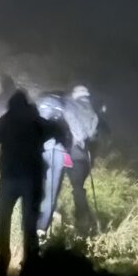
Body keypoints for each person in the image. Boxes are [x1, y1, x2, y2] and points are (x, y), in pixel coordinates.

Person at [0, 90, 68, 276]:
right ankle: (30, 268)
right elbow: (58, 131)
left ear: (11, 106)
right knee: (29, 224)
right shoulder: (36, 122)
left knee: (3, 220)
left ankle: (2, 265)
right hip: (33, 180)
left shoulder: (4, 121)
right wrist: (63, 137)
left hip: (9, 178)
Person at [37, 85, 104, 237]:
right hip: (83, 155)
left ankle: (48, 218)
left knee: (53, 183)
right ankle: (82, 222)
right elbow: (93, 135)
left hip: (67, 151)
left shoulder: (70, 105)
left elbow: (69, 124)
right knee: (78, 188)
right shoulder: (93, 113)